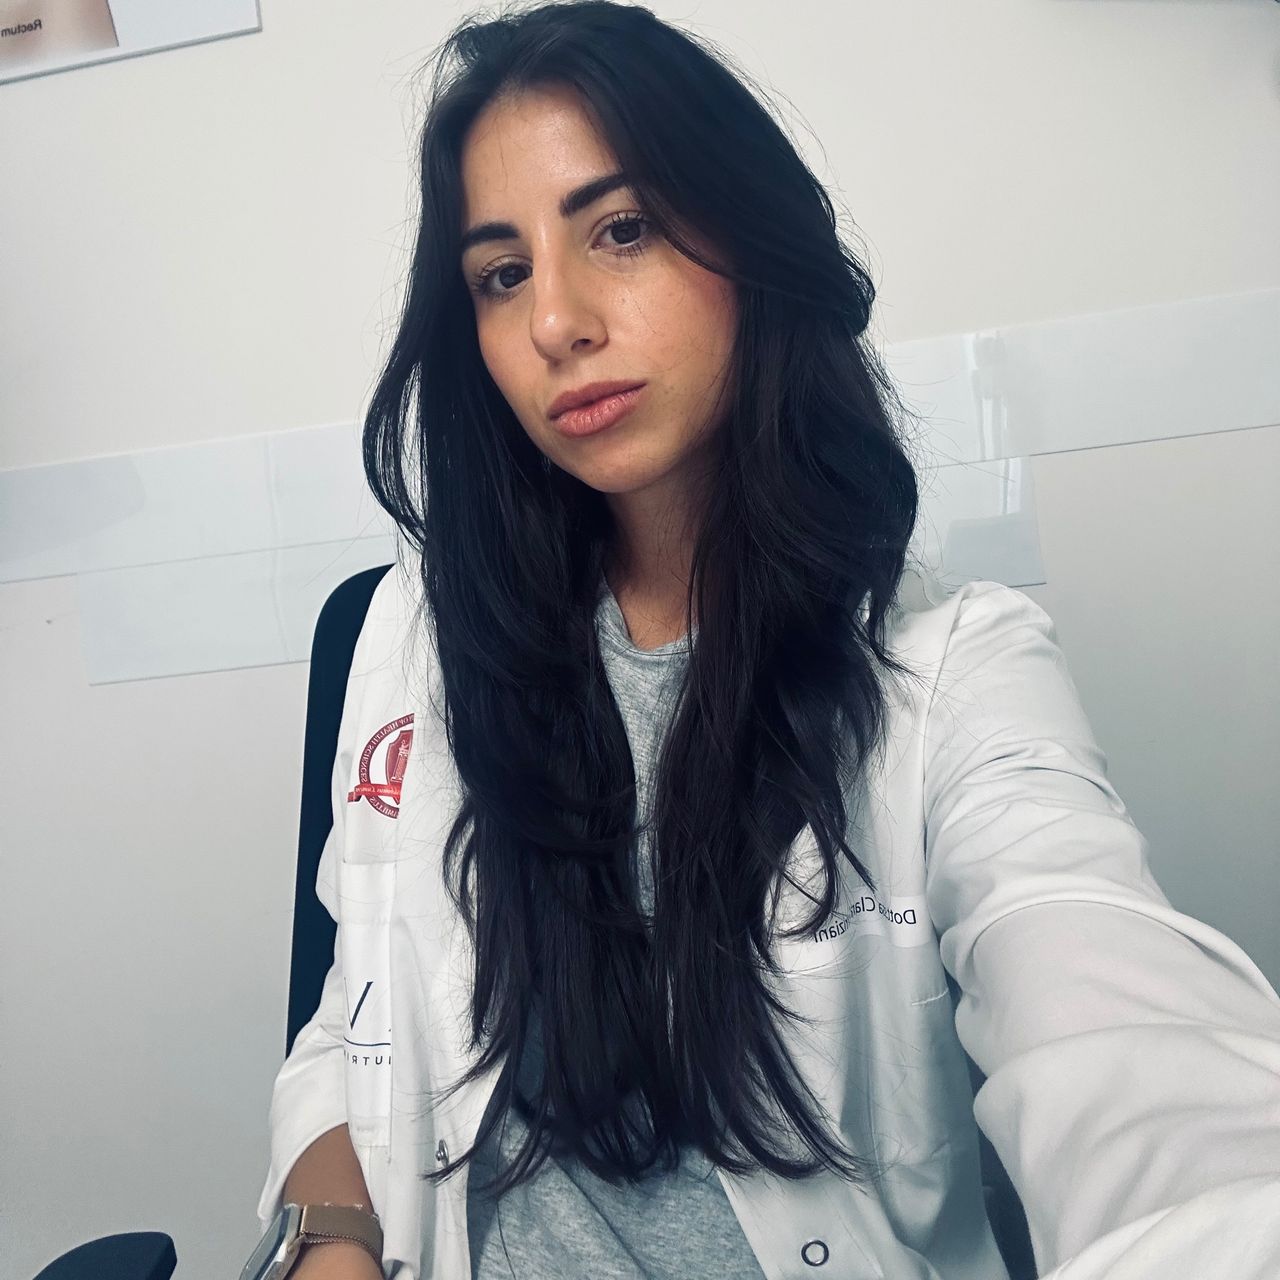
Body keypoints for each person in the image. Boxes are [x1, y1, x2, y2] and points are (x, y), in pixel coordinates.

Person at [244, 3, 1280, 1278]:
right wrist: (331, 1237)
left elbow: (1117, 1029)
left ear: (750, 237)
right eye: (501, 274)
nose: (555, 320)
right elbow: (356, 1012)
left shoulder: (952, 672)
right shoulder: (417, 633)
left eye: (620, 229)